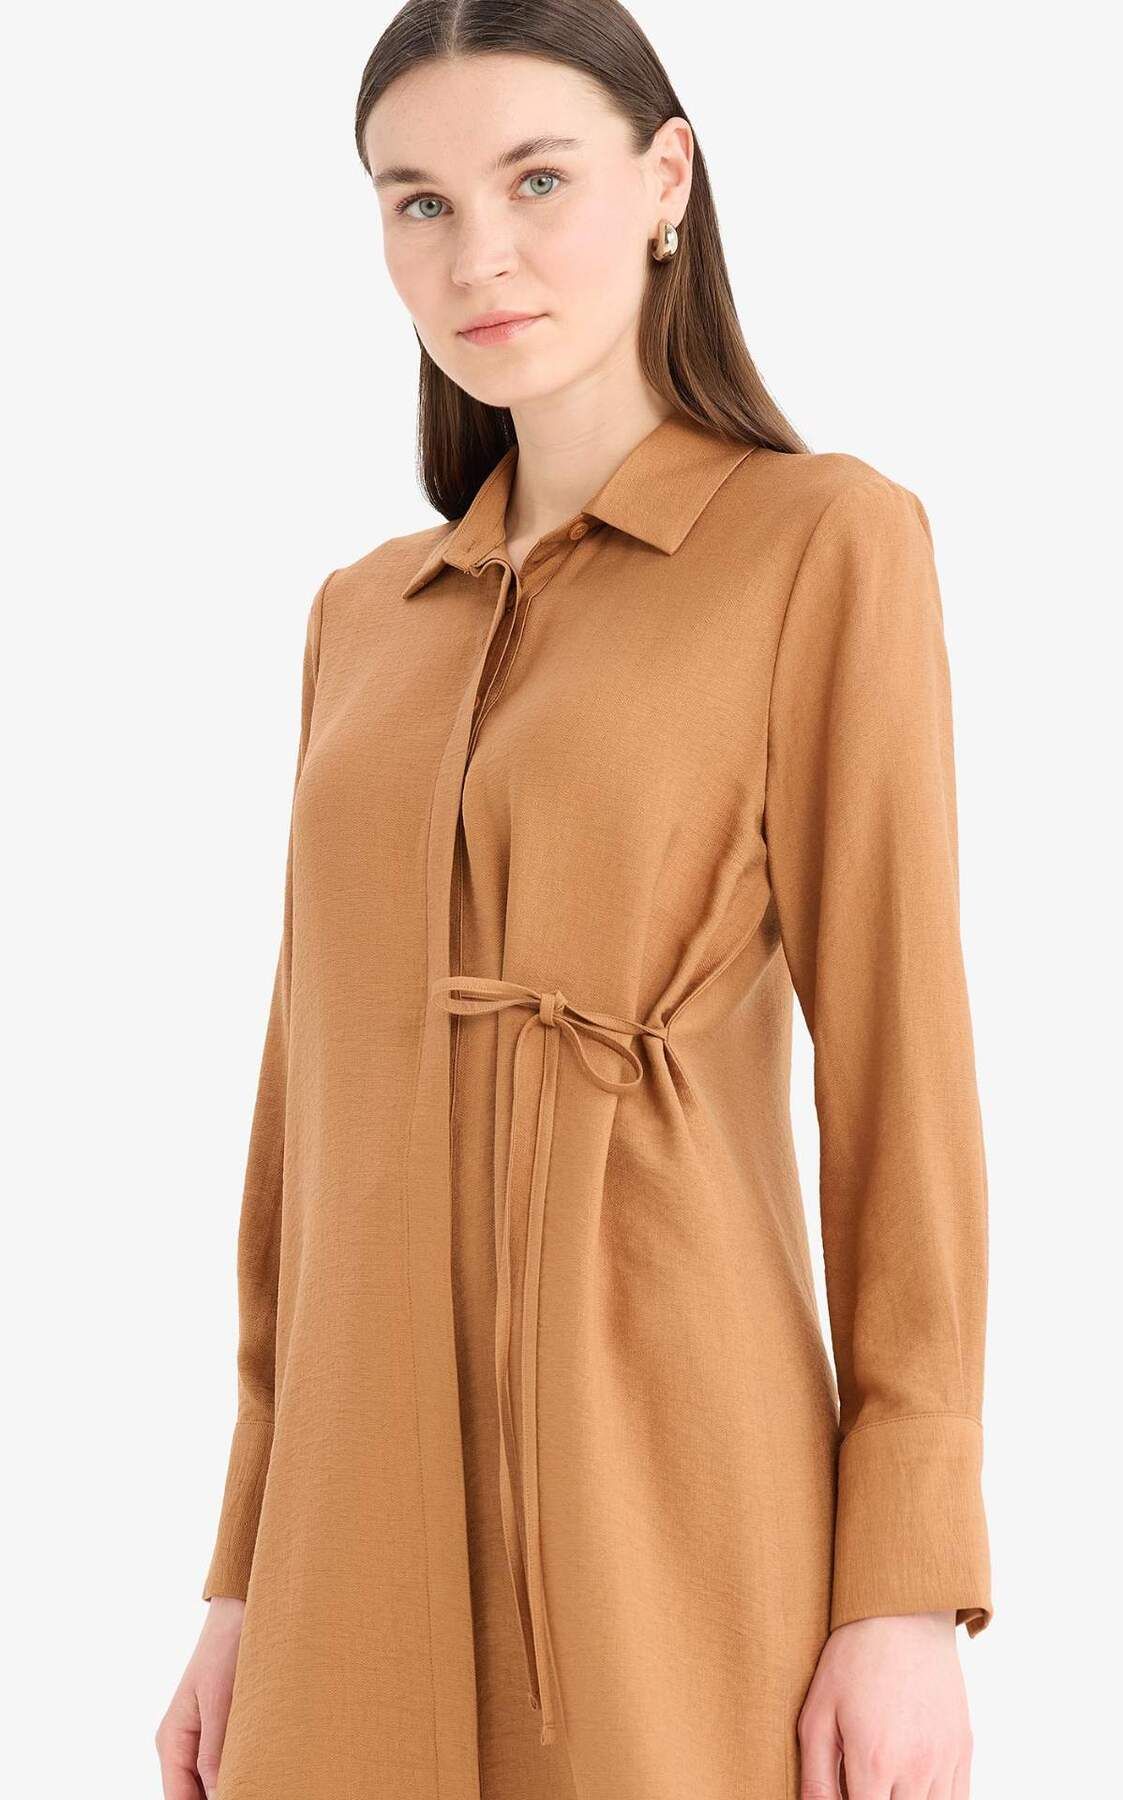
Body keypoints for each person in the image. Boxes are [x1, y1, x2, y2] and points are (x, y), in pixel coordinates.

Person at [156, 4, 992, 1797]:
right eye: (420, 202)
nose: (479, 256)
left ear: (666, 178)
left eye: (537, 179)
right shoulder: (362, 616)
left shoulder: (823, 542)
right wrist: (239, 1573)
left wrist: (906, 1589)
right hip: (349, 1501)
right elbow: (304, 1113)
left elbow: (903, 1081)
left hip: (664, 1466)